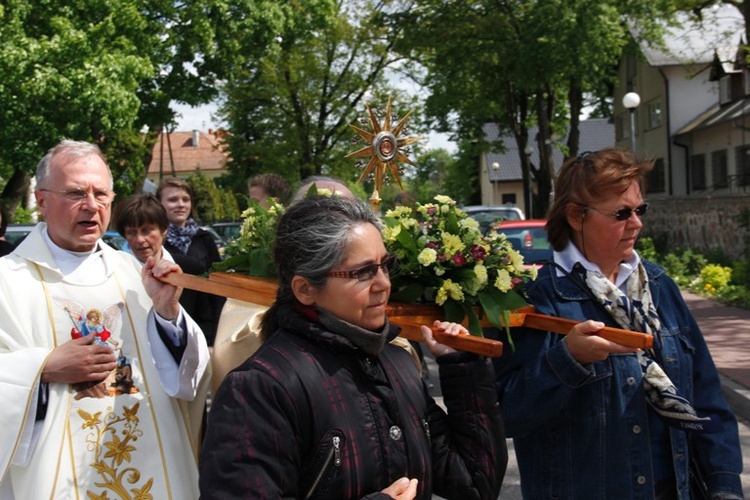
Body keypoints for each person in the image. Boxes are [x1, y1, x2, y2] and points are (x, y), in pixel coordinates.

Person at [199, 196, 507, 499]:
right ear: (306, 289)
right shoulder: (261, 388)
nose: (384, 283)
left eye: (385, 265)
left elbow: (475, 483)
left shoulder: (397, 363)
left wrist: (463, 370)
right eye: (362, 272)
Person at [493, 148, 743, 499]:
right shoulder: (537, 297)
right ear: (576, 215)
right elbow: (505, 414)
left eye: (640, 209)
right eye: (621, 213)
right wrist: (567, 361)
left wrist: (724, 484)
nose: (637, 223)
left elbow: (706, 398)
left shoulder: (658, 286)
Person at [0, 140, 210, 499]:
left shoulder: (133, 272)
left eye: (101, 194)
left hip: (148, 465)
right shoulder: (7, 280)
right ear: (42, 200)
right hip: (54, 472)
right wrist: (44, 366)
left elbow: (191, 375)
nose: (92, 206)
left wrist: (167, 313)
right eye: (76, 192)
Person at [157, 177, 225, 345]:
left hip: (205, 328)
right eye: (173, 200)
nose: (181, 204)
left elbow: (218, 289)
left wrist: (218, 333)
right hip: (169, 327)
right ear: (159, 204)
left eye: (186, 199)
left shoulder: (204, 239)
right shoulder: (155, 242)